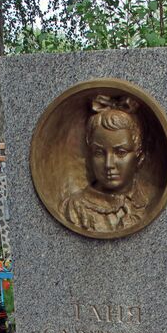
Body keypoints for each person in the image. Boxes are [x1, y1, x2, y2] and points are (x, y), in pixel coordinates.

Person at [61, 94, 148, 234]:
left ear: (139, 157)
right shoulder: (75, 209)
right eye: (99, 153)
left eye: (120, 152)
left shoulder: (145, 202)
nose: (109, 164)